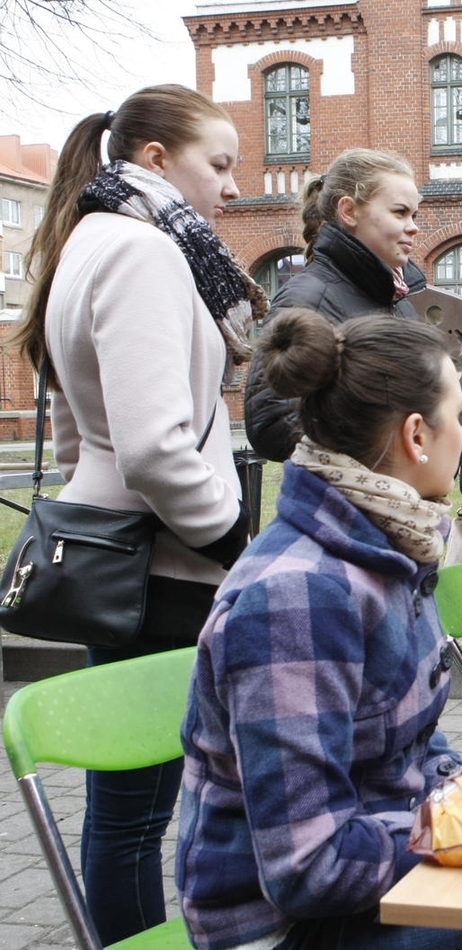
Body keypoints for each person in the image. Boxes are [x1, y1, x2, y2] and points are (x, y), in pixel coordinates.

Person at [10, 84, 256, 944]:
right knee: (136, 814)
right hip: (165, 563)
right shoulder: (146, 253)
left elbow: (88, 437)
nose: (231, 186)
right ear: (156, 160)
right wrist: (235, 543)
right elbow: (155, 449)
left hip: (122, 556)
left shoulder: (89, 239)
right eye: (218, 164)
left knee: (126, 812)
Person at [178, 309, 462, 950]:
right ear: (417, 435)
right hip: (285, 928)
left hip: (378, 866)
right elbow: (310, 868)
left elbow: (407, 741)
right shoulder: (297, 597)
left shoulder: (389, 542)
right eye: (460, 413)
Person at [245, 148, 426, 462]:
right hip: (339, 505)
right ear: (349, 211)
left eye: (414, 215)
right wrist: (383, 443)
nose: (413, 227)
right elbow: (271, 424)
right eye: (400, 212)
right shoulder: (306, 300)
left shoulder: (400, 300)